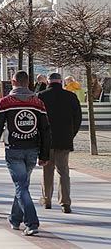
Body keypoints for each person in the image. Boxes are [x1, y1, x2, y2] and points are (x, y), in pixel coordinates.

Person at [0, 71, 51, 237]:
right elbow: (45, 130)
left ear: (12, 82)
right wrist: (44, 154)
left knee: (21, 186)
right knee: (22, 185)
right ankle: (15, 219)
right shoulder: (37, 103)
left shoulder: (5, 102)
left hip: (14, 149)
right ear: (28, 83)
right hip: (32, 150)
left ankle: (31, 222)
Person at [38, 73, 82, 213]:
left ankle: (47, 200)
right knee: (63, 171)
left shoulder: (41, 96)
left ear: (48, 82)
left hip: (46, 140)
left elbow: (37, 119)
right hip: (64, 139)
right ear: (61, 82)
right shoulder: (71, 96)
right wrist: (71, 134)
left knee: (47, 170)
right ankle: (65, 203)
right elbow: (78, 118)